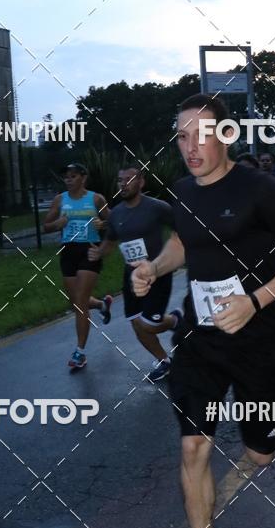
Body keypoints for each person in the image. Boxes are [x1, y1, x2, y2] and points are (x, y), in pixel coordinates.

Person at [131, 94, 275, 528]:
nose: (190, 147)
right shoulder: (184, 191)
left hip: (254, 336)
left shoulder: (260, 189)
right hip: (198, 337)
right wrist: (155, 267)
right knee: (194, 444)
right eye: (182, 136)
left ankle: (273, 409)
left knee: (260, 454)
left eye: (201, 135)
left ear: (227, 137)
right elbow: (185, 243)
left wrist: (255, 301)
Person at [88, 167, 182, 382]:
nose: (123, 184)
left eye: (129, 179)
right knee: (136, 323)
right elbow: (110, 241)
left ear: (141, 183)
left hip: (158, 272)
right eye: (120, 180)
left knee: (149, 324)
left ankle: (175, 320)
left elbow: (182, 229)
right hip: (132, 276)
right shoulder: (117, 213)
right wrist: (98, 252)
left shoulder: (158, 208)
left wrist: (174, 255)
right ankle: (164, 361)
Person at [42, 163, 112, 370]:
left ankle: (79, 352)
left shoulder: (96, 198)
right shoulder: (60, 199)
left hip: (90, 251)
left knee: (80, 303)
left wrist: (103, 224)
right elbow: (46, 226)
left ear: (83, 177)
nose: (69, 179)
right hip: (69, 252)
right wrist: (57, 225)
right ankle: (101, 304)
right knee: (75, 302)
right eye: (66, 177)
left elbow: (116, 220)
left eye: (73, 176)